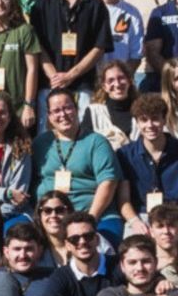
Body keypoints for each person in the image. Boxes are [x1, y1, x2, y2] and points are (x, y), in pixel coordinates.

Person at [34, 89, 121, 233]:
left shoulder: (96, 142)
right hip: (51, 217)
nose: (63, 114)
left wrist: (89, 220)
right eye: (56, 111)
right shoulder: (41, 143)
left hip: (95, 215)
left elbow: (108, 183)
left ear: (76, 109)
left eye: (67, 108)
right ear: (49, 116)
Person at [33, 0, 110, 105]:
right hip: (49, 86)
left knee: (83, 130)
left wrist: (71, 75)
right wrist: (54, 77)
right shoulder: (42, 5)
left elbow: (99, 47)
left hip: (83, 87)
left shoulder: (96, 5)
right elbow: (36, 45)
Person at [115, 94, 178, 230]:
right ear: (137, 123)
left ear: (164, 119)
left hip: (177, 215)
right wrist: (135, 222)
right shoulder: (125, 155)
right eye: (144, 120)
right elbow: (124, 199)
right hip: (142, 216)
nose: (150, 125)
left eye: (155, 119)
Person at [83, 61, 139, 151]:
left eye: (121, 78)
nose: (117, 84)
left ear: (129, 81)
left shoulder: (142, 111)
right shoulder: (93, 112)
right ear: (104, 86)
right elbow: (85, 145)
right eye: (110, 80)